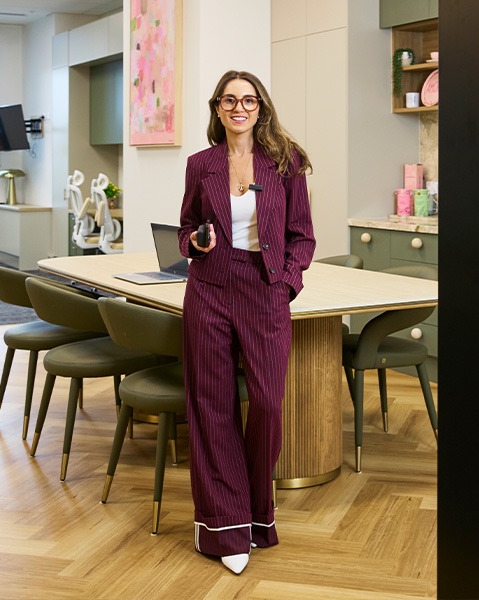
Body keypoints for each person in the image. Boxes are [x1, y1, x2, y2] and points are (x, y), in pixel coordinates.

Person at [177, 70, 316, 575]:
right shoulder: (201, 165)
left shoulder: (285, 162)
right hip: (209, 289)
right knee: (212, 406)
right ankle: (223, 527)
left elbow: (303, 235)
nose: (240, 108)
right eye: (230, 100)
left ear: (260, 108)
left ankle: (257, 515)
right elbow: (186, 226)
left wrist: (287, 281)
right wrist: (194, 243)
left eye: (249, 100)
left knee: (268, 403)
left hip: (264, 289)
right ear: (217, 108)